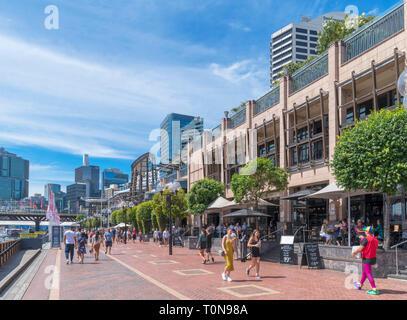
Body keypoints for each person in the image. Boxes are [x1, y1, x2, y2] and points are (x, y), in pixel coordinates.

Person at [352, 226, 379, 295]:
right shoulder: (375, 239)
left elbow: (360, 249)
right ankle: (360, 285)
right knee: (365, 272)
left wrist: (354, 252)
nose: (364, 232)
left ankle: (374, 289)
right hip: (373, 258)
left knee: (368, 273)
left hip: (366, 258)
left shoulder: (365, 239)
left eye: (365, 231)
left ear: (367, 232)